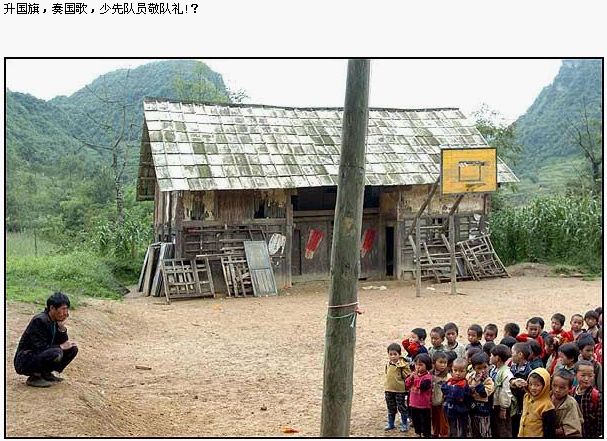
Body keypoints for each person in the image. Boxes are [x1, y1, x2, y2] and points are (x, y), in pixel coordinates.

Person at [13, 292, 78, 387]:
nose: (66, 313)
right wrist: (60, 347)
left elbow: (64, 343)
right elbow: (39, 347)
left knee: (72, 349)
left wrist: (61, 328)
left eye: (66, 309)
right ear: (52, 308)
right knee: (56, 352)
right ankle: (35, 377)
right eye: (63, 309)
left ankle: (46, 373)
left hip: (39, 354)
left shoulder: (54, 320)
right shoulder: (39, 320)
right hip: (25, 360)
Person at [514, 368, 556, 437]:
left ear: (545, 386)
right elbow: (513, 388)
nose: (533, 388)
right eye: (530, 384)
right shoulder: (526, 397)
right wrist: (514, 382)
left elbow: (549, 431)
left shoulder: (547, 406)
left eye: (537, 385)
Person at [383, 343, 411, 432]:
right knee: (391, 407)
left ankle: (404, 424)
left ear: (399, 354)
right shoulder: (388, 364)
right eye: (390, 354)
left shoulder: (403, 365)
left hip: (400, 390)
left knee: (401, 407)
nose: (393, 356)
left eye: (395, 354)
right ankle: (391, 423)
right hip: (389, 389)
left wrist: (402, 367)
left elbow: (407, 375)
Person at [571, 360, 602, 438]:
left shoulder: (596, 396)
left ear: (594, 375)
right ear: (575, 375)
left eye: (590, 376)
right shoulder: (572, 392)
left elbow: (600, 422)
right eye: (583, 375)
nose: (587, 379)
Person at [467, 352, 495, 437]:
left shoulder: (489, 381)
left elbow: (484, 394)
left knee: (484, 431)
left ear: (489, 366)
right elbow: (467, 389)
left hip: (483, 410)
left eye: (485, 367)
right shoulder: (470, 376)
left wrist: (478, 384)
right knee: (472, 430)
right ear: (474, 368)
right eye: (479, 368)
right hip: (471, 408)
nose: (482, 370)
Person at [405, 353, 433, 437]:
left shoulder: (428, 377)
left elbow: (423, 387)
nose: (417, 367)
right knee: (415, 420)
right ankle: (417, 433)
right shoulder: (413, 375)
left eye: (420, 365)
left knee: (425, 421)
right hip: (413, 403)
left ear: (427, 365)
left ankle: (426, 434)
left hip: (424, 405)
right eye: (416, 364)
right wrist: (411, 377)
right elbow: (407, 384)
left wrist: (415, 378)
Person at [441, 358, 470, 437]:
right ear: (452, 370)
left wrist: (450, 390)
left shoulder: (464, 383)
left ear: (466, 372)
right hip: (450, 411)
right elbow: (443, 388)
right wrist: (451, 390)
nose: (457, 373)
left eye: (461, 371)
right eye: (455, 370)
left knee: (459, 431)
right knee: (451, 429)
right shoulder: (450, 380)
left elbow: (458, 396)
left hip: (459, 414)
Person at [489, 344, 513, 437]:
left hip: (501, 406)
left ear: (497, 358)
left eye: (491, 355)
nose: (490, 357)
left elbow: (506, 391)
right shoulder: (494, 369)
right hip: (494, 404)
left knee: (503, 429)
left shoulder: (506, 373)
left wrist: (504, 408)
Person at [551, 369, 583, 438]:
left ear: (569, 389)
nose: (557, 390)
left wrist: (550, 431)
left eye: (562, 388)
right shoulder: (547, 397)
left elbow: (572, 429)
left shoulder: (571, 403)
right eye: (554, 385)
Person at [509, 342, 532, 437]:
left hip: (521, 403)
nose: (511, 355)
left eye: (512, 353)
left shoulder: (528, 371)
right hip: (513, 403)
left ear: (520, 354)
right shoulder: (513, 366)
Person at [430, 352, 449, 437]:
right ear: (434, 362)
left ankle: (444, 435)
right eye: (440, 362)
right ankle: (435, 433)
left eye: (445, 363)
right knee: (434, 418)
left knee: (443, 420)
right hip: (433, 401)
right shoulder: (430, 374)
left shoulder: (447, 376)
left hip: (443, 402)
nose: (443, 365)